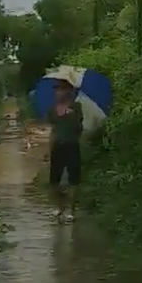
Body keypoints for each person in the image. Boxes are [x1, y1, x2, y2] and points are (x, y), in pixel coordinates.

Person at [46, 80, 83, 223]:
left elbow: (79, 129)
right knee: (54, 180)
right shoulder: (52, 109)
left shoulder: (76, 107)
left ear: (69, 91)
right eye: (57, 90)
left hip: (72, 145)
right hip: (57, 146)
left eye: (61, 89)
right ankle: (59, 207)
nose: (58, 92)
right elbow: (52, 130)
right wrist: (49, 148)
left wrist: (72, 115)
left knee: (74, 179)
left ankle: (70, 210)